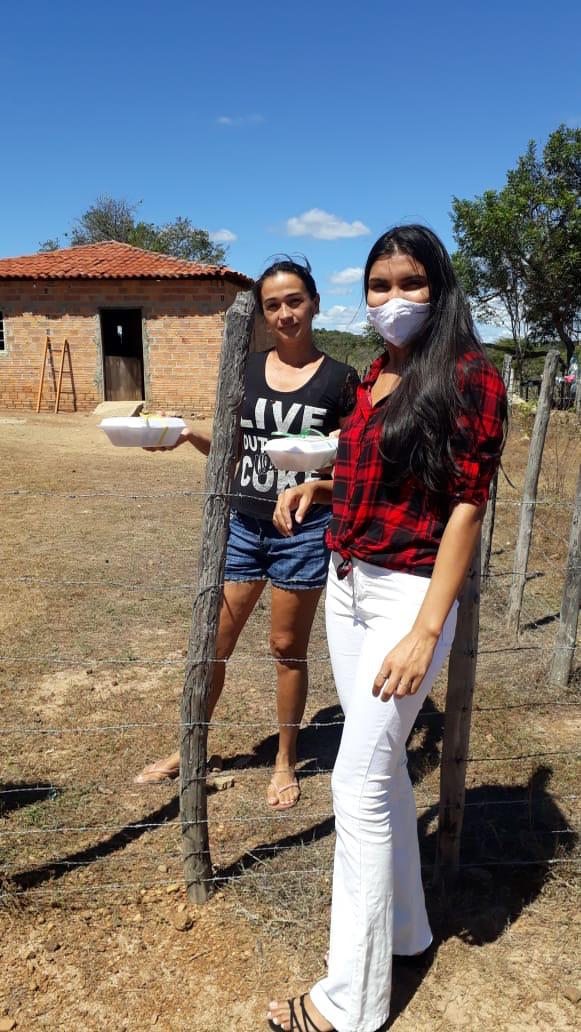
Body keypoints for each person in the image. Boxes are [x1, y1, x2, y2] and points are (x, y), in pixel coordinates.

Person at [267, 225, 507, 1030]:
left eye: (410, 283)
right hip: (347, 584)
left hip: (409, 595)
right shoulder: (377, 372)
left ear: (438, 287)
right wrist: (323, 488)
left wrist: (425, 630)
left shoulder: (469, 375)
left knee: (356, 784)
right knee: (382, 774)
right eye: (378, 285)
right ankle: (405, 932)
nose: (392, 299)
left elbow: (465, 507)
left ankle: (350, 1003)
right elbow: (380, 468)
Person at [134, 257, 359, 810]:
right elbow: (234, 447)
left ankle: (285, 759)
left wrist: (319, 486)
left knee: (286, 649)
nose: (285, 314)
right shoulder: (248, 369)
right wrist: (187, 435)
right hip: (243, 527)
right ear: (262, 313)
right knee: (213, 644)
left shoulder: (340, 380)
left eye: (295, 301)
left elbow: (355, 467)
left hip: (302, 533)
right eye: (272, 305)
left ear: (315, 303)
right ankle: (189, 750)